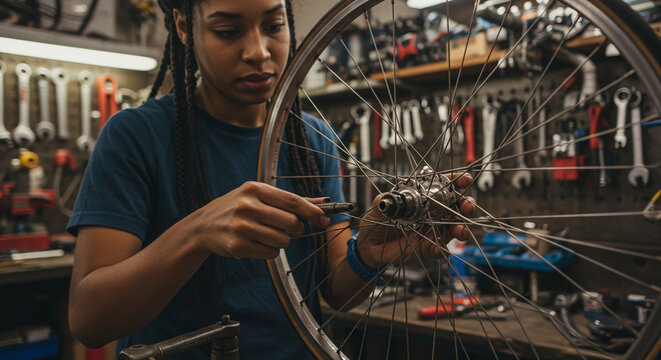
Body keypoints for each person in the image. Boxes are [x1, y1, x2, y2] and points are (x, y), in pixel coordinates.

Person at [66, 0, 475, 359]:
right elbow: (90, 319)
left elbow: (333, 291)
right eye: (228, 31)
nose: (259, 52)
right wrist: (197, 233)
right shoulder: (135, 136)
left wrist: (368, 256)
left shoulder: (313, 138)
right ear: (183, 27)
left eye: (274, 26)